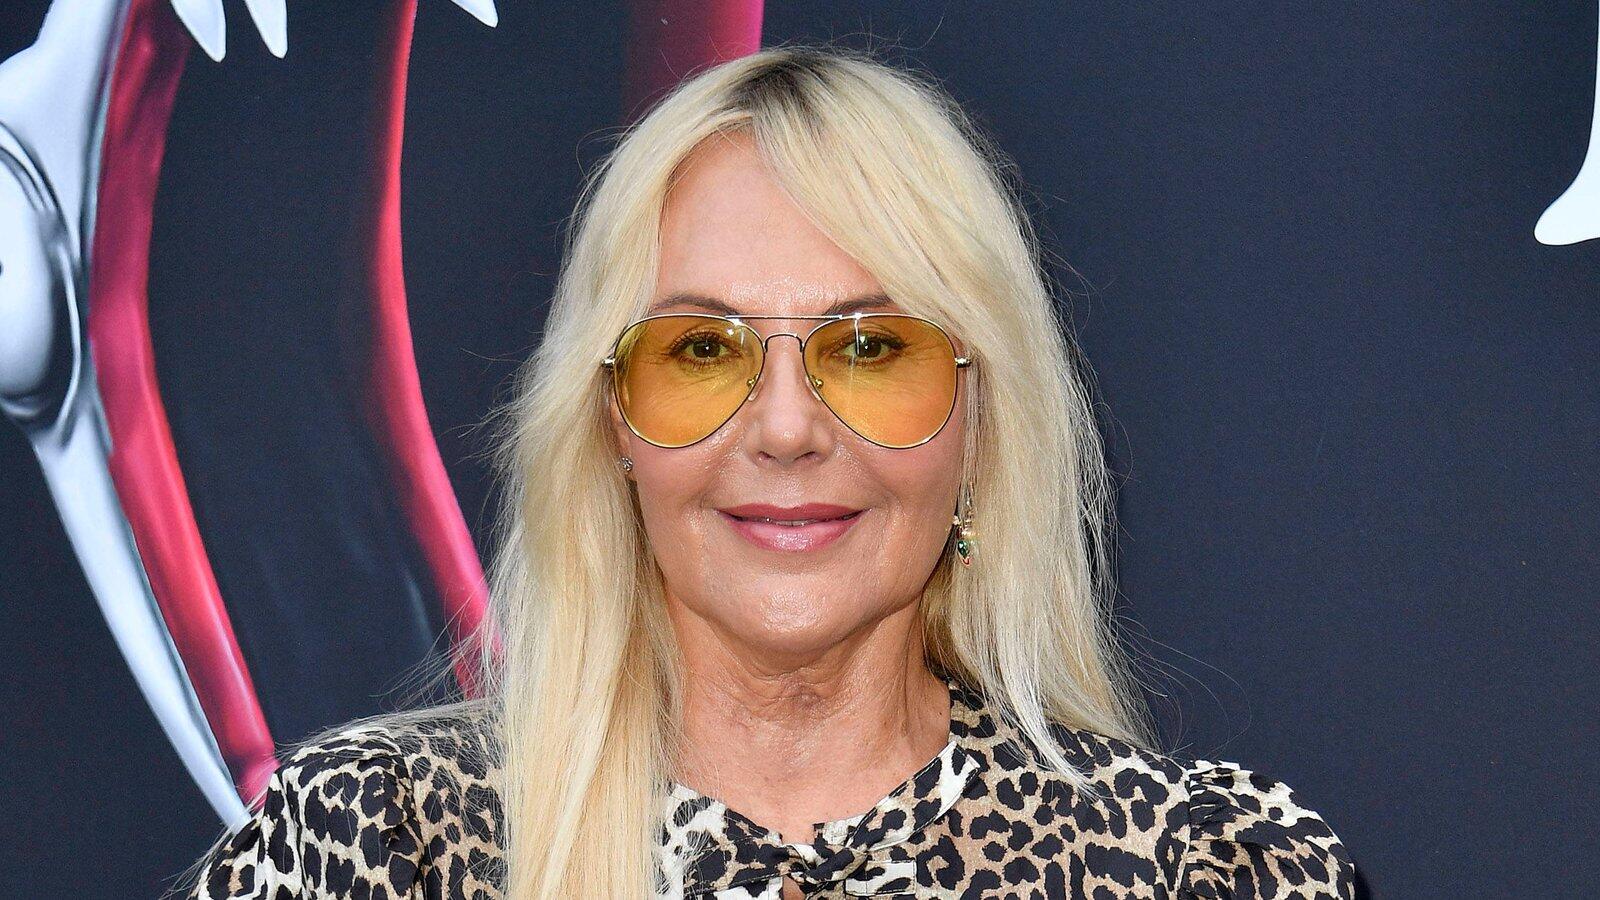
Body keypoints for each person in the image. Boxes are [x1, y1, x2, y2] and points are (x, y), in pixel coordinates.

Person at [177, 45, 1356, 900]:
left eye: (870, 348)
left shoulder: (1203, 869)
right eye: (701, 350)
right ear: (610, 424)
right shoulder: (385, 846)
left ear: (981, 419)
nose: (786, 430)